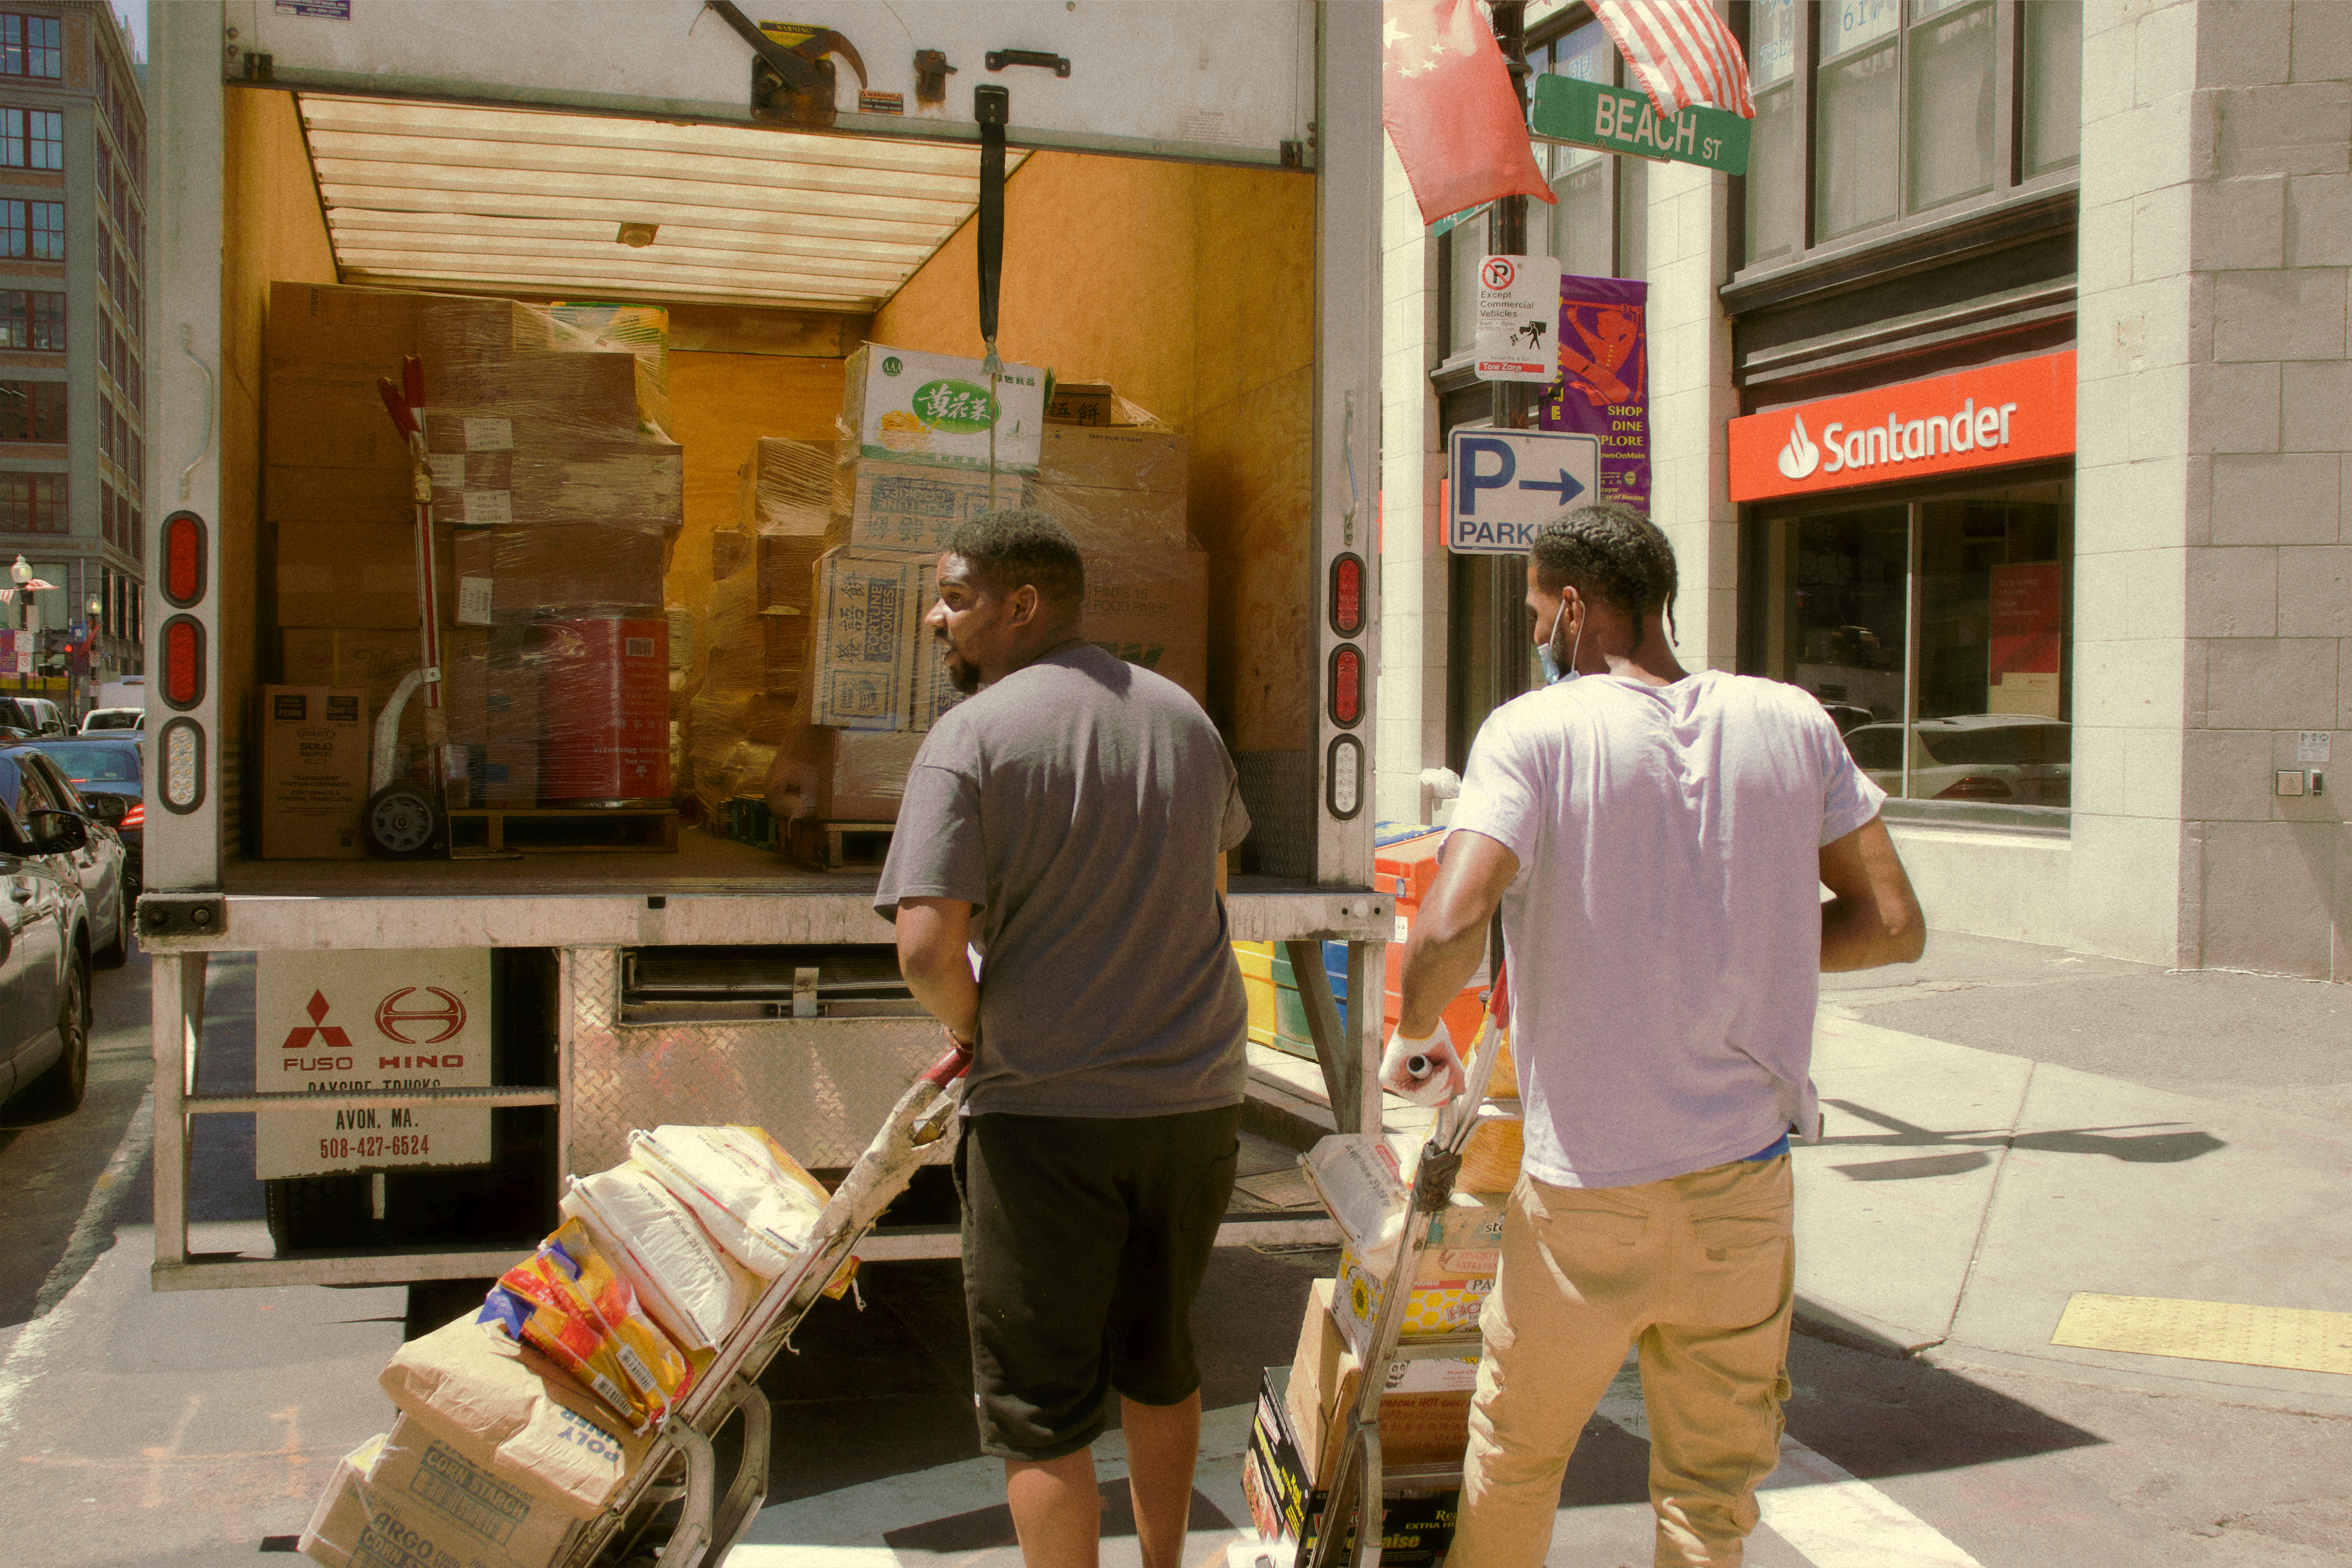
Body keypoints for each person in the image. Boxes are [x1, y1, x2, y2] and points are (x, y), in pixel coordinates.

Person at [1382, 502, 1924, 1568]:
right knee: (1711, 1495)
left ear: (1576, 607)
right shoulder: (1793, 719)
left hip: (1588, 1194)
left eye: (1539, 609)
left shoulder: (1533, 732)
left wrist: (1410, 1032)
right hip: (1742, 1189)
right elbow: (1893, 923)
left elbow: (1449, 923)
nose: (1536, 631)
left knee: (1518, 1455)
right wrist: (1741, 944)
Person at [875, 509, 1253, 1568]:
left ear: (1021, 606)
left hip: (1047, 1117)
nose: (938, 617)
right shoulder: (1183, 717)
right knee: (1161, 1360)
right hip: (1196, 1106)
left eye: (956, 597)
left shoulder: (972, 736)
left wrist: (976, 1024)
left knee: (1040, 1408)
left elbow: (924, 947)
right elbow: (1210, 886)